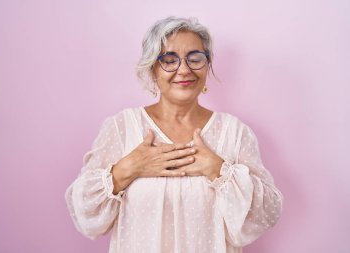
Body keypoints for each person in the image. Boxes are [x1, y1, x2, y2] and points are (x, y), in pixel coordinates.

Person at [65, 16, 283, 253]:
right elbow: (84, 213)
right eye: (169, 60)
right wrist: (127, 169)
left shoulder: (234, 133)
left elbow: (266, 213)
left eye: (195, 59)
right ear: (152, 68)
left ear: (207, 65)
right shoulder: (121, 128)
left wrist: (218, 169)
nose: (184, 70)